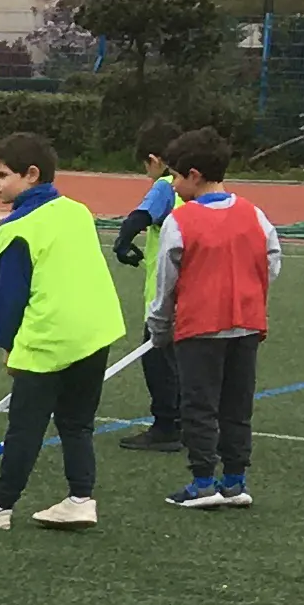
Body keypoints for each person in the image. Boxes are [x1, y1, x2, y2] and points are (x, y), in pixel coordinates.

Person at [0, 129, 121, 532]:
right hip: (95, 330)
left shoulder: (16, 228)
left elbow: (11, 299)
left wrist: (9, 346)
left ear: (31, 174)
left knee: (25, 428)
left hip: (48, 337)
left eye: (2, 175)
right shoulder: (78, 210)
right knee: (77, 422)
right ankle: (81, 499)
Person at [147, 126, 283, 512]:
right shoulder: (254, 213)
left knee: (199, 406)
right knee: (237, 406)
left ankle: (203, 482)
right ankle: (235, 480)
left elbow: (166, 281)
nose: (173, 185)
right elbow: (272, 260)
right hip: (246, 325)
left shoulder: (181, 221)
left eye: (175, 177)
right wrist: (248, 291)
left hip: (200, 329)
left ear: (194, 175)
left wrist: (160, 326)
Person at [112, 138, 189, 454]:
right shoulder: (200, 190)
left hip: (165, 294)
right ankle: (190, 422)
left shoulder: (166, 187)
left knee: (158, 361)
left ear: (155, 159)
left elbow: (139, 217)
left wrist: (122, 243)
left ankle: (166, 426)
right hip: (195, 295)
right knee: (186, 363)